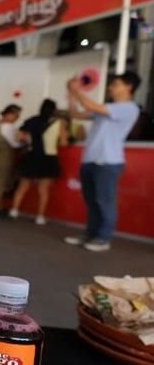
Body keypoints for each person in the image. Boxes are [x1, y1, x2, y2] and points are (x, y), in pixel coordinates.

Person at [64, 71, 141, 252]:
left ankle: (103, 238)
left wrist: (75, 90)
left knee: (104, 201)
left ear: (128, 87)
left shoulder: (129, 108)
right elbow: (75, 114)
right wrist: (71, 94)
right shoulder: (105, 108)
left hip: (108, 162)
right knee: (91, 201)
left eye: (115, 84)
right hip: (90, 160)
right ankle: (91, 234)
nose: (111, 87)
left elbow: (89, 103)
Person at [9, 99, 67, 225]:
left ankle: (14, 210)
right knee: (43, 189)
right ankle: (40, 216)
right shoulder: (59, 123)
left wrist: (29, 139)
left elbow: (18, 137)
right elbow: (64, 142)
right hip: (49, 158)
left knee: (23, 186)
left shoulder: (31, 120)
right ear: (54, 110)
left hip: (32, 156)